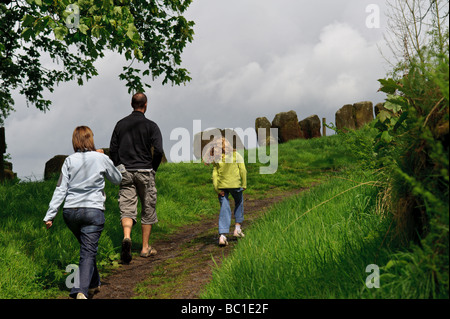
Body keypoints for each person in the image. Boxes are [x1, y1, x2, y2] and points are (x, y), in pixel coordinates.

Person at [43, 126, 122, 299]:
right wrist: (105, 158)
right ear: (90, 139)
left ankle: (93, 284)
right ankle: (80, 291)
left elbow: (60, 189)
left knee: (88, 248)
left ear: (75, 141)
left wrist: (50, 215)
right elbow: (117, 179)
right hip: (93, 211)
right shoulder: (101, 158)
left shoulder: (69, 161)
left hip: (70, 212)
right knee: (88, 250)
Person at [109, 92, 164, 264]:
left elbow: (113, 150)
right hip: (145, 171)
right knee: (148, 207)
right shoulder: (151, 126)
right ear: (145, 105)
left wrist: (120, 168)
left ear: (131, 104)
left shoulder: (120, 124)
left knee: (127, 207)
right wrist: (152, 169)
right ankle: (145, 247)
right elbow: (159, 150)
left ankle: (127, 237)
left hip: (125, 172)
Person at [205, 137, 247, 247]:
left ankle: (222, 236)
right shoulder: (236, 155)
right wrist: (244, 184)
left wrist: (217, 189)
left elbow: (215, 175)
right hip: (235, 185)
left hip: (222, 187)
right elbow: (243, 170)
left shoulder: (217, 158)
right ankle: (237, 229)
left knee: (224, 207)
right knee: (239, 202)